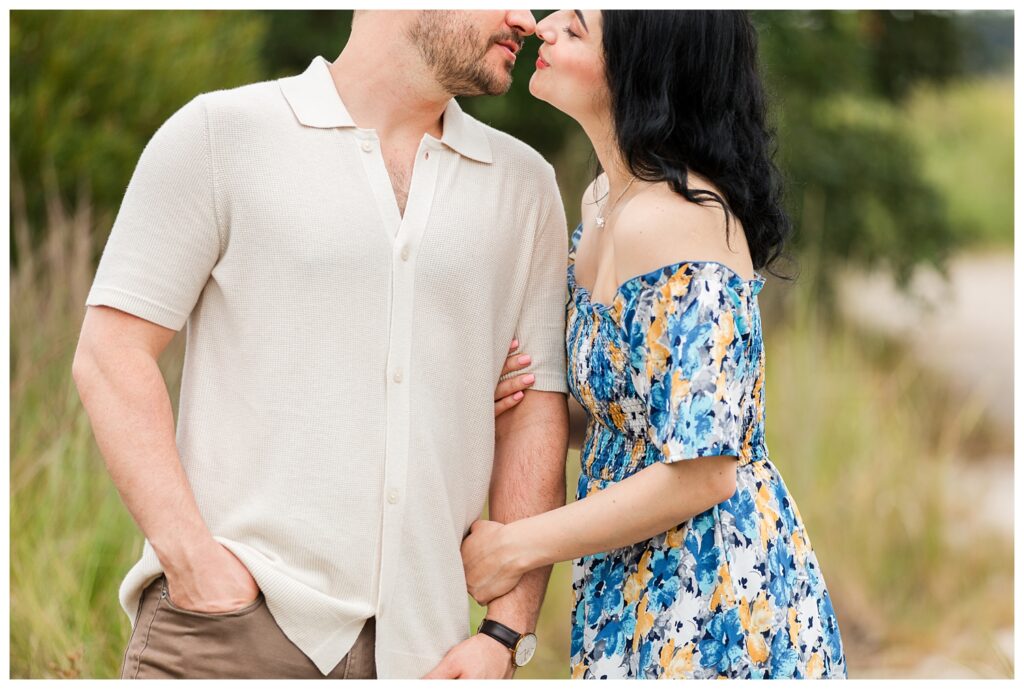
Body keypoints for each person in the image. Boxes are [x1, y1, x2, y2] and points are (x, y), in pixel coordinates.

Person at [72, 10, 571, 680]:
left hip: (428, 653)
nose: (526, 19)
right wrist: (195, 565)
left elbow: (533, 410)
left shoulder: (526, 185)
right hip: (229, 636)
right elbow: (111, 353)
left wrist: (505, 633)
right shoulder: (222, 134)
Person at [468, 10, 848, 678]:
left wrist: (517, 545)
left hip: (713, 591)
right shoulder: (602, 203)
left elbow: (703, 468)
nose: (545, 27)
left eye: (578, 28)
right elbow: (631, 418)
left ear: (638, 73)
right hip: (634, 576)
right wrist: (503, 396)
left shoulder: (683, 219)